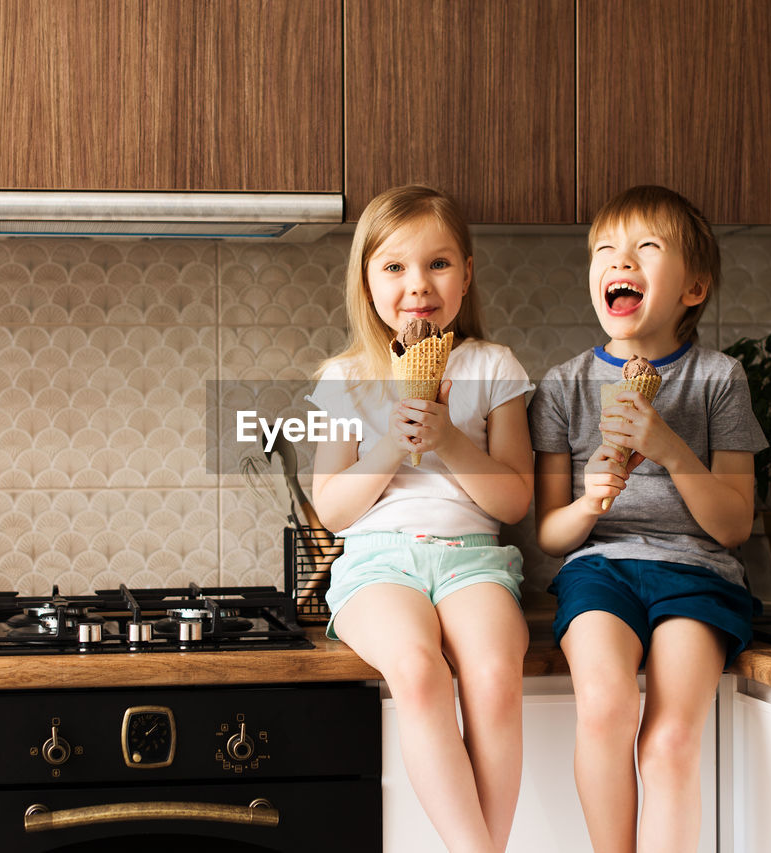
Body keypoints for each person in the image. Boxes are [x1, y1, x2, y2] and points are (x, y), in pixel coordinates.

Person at [528, 185, 766, 853]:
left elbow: (734, 525)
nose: (619, 261)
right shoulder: (564, 386)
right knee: (605, 710)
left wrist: (667, 445)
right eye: (605, 250)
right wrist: (587, 501)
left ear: (693, 288)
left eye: (645, 248)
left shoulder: (721, 378)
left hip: (698, 574)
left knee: (669, 742)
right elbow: (549, 534)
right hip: (599, 571)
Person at [307, 184, 534, 853]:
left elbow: (515, 500)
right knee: (416, 667)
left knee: (495, 675)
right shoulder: (346, 377)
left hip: (474, 558)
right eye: (395, 267)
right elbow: (334, 507)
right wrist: (391, 441)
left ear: (467, 273)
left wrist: (450, 440)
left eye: (438, 264)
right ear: (367, 280)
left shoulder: (493, 367)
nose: (418, 286)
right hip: (377, 563)